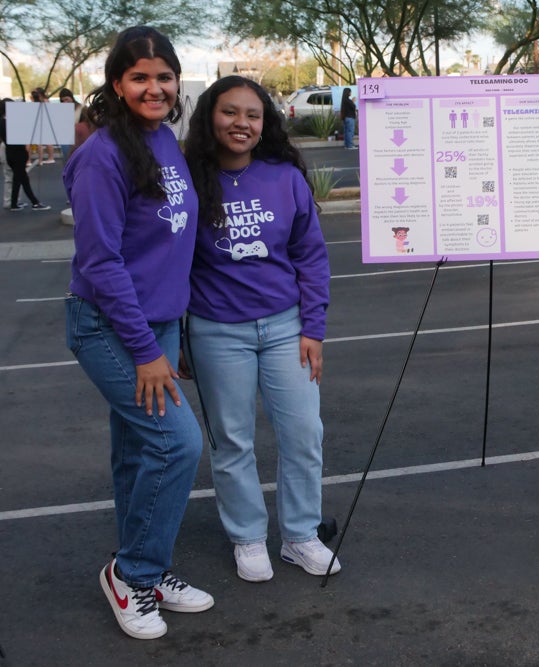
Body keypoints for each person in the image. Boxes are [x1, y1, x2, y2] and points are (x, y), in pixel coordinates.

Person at [63, 25, 213, 640]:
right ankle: (133, 573)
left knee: (134, 452)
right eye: (139, 77)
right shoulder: (105, 155)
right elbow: (100, 263)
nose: (154, 87)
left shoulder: (163, 140)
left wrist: (172, 334)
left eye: (164, 76)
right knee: (177, 445)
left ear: (177, 83)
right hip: (109, 325)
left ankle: (143, 569)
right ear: (118, 84)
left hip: (156, 324)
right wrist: (148, 351)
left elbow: (166, 249)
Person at [183, 76, 337, 582]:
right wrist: (177, 336)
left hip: (285, 327)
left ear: (265, 122)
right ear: (210, 116)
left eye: (252, 114)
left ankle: (300, 536)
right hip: (216, 331)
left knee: (303, 433)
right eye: (230, 112)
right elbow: (171, 262)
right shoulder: (189, 177)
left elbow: (310, 256)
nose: (241, 123)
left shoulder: (284, 176)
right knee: (232, 441)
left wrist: (312, 327)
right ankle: (248, 538)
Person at [1, 98, 51, 212]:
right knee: (20, 179)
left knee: (21, 179)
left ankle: (17, 203)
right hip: (18, 154)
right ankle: (33, 202)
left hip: (10, 154)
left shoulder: (2, 122)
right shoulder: (13, 122)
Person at [29, 88, 55, 163]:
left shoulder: (43, 101)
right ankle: (49, 158)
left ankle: (49, 158)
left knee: (45, 141)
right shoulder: (45, 101)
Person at [58, 88, 85, 159]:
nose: (65, 102)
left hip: (79, 139)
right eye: (62, 101)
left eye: (66, 99)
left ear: (71, 98)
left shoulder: (81, 108)